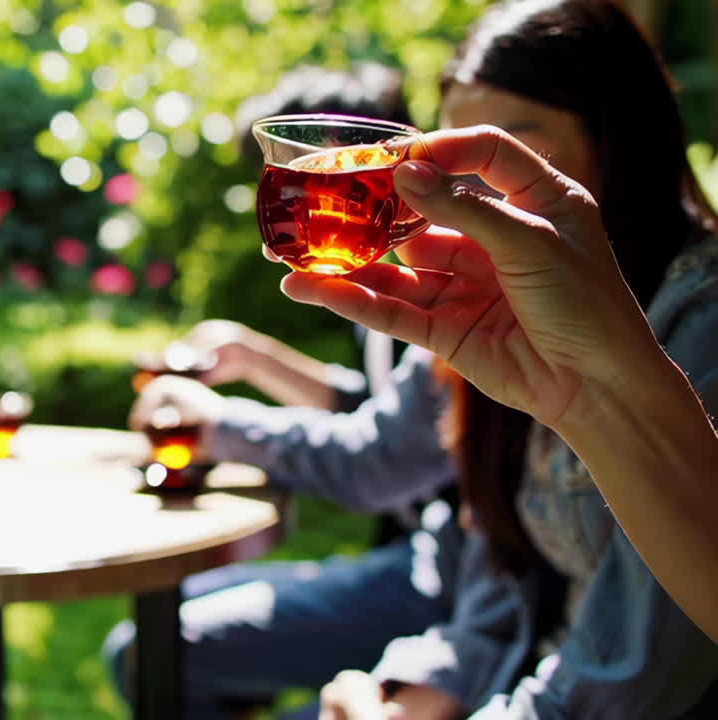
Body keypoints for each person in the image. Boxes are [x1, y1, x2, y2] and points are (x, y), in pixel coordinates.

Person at [283, 1, 718, 717]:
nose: (468, 197)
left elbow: (625, 678)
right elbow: (500, 574)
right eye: (449, 167)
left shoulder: (697, 323)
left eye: (508, 158)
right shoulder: (498, 309)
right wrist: (424, 688)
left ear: (619, 145)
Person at [107, 64, 536, 720]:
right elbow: (385, 406)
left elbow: (378, 457)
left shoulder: (477, 286)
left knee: (150, 650)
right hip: (429, 566)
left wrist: (218, 425)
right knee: (154, 629)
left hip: (446, 588)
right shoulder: (412, 267)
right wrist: (255, 357)